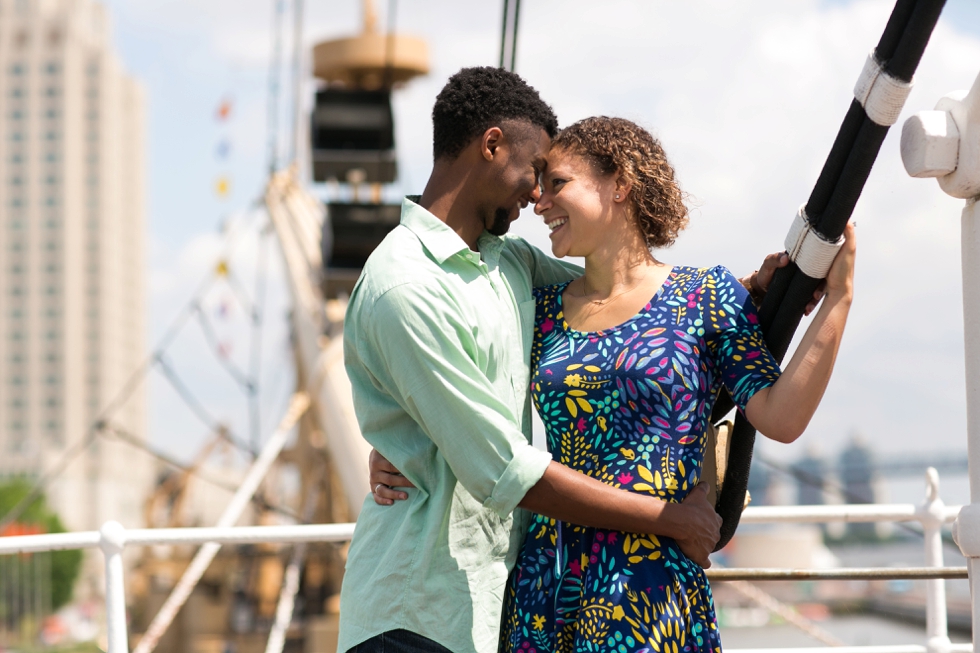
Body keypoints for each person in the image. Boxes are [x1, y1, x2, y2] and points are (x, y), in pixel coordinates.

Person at [342, 67, 814, 653]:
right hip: (417, 613)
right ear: (492, 146)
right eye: (534, 170)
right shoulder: (405, 288)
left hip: (501, 603)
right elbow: (503, 470)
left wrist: (743, 292)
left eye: (551, 178)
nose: (536, 196)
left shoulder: (509, 265)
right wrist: (671, 518)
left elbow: (630, 303)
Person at [491, 116, 855, 652]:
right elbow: (477, 408)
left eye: (558, 183)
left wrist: (839, 299)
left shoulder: (707, 295)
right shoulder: (539, 308)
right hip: (549, 580)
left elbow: (781, 416)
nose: (539, 201)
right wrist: (399, 449)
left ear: (620, 182)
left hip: (652, 586)